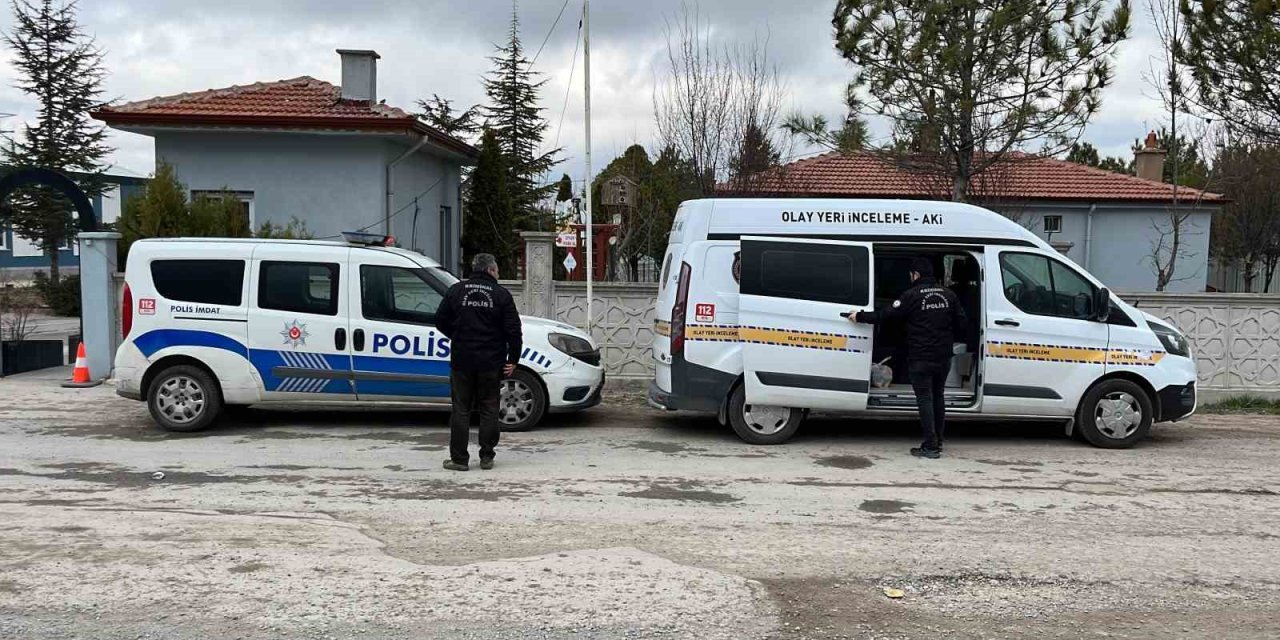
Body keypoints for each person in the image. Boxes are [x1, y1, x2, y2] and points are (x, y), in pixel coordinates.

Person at [850, 257, 966, 459]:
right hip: (943, 357)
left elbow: (884, 316)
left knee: (925, 399)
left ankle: (930, 446)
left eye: (911, 275)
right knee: (937, 397)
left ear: (916, 275)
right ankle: (938, 440)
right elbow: (962, 324)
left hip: (920, 357)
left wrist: (858, 316)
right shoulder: (949, 295)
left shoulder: (911, 295)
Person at [434, 253, 522, 471]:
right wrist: (514, 359)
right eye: (498, 270)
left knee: (461, 409)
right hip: (491, 362)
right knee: (489, 408)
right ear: (491, 270)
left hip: (462, 360)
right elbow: (514, 331)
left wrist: (457, 334)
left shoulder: (457, 291)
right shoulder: (501, 295)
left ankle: (459, 459)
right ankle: (486, 457)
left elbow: (439, 320)